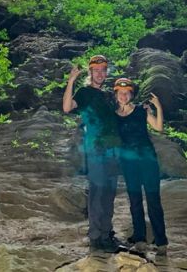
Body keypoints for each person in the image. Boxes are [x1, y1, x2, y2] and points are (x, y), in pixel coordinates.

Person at [62, 55, 122, 253]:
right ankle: (96, 238)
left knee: (109, 192)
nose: (100, 74)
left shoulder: (108, 95)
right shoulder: (85, 93)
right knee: (97, 191)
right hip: (95, 149)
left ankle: (106, 233)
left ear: (106, 73)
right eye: (96, 70)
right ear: (90, 73)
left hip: (113, 148)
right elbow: (67, 107)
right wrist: (71, 80)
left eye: (103, 70)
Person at [112, 77, 168, 256]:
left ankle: (161, 241)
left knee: (153, 201)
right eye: (120, 93)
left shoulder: (141, 110)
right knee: (135, 202)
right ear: (116, 95)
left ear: (132, 94)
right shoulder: (113, 115)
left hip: (147, 161)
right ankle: (140, 238)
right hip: (128, 164)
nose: (123, 95)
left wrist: (158, 107)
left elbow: (158, 128)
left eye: (127, 92)